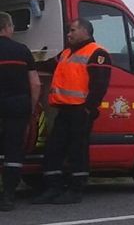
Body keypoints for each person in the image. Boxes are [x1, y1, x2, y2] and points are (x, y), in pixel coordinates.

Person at [33, 18, 111, 204]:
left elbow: (99, 85)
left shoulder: (97, 53)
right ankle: (53, 187)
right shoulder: (66, 53)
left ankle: (76, 189)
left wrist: (88, 109)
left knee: (78, 150)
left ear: (85, 31)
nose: (69, 34)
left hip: (80, 111)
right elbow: (47, 66)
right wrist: (27, 63)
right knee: (54, 148)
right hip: (64, 109)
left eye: (73, 30)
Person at [0, 12, 41, 211]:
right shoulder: (22, 50)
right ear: (8, 27)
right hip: (18, 107)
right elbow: (35, 84)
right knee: (13, 151)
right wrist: (32, 109)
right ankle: (8, 196)